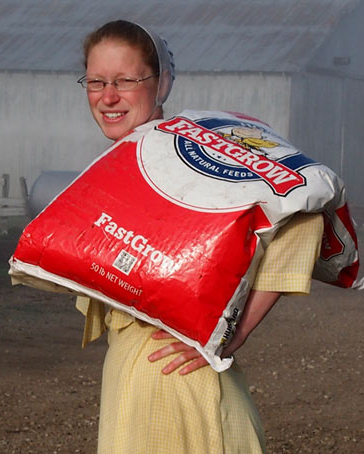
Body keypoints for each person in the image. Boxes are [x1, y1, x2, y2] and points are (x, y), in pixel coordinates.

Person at [74, 19, 324, 453]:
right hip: (130, 384)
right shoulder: (117, 168)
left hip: (178, 389)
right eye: (96, 82)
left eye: (125, 80)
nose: (108, 97)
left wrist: (233, 331)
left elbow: (305, 215)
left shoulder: (191, 155)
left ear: (163, 82)